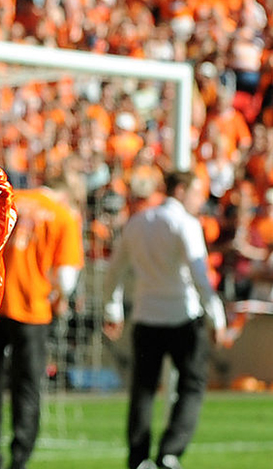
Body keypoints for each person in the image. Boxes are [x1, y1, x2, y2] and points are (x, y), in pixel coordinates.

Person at [103, 170, 228, 469]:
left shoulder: (137, 223)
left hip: (147, 318)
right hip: (183, 317)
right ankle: (171, 451)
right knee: (193, 385)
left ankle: (138, 457)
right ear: (182, 190)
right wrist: (217, 318)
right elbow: (200, 276)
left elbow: (114, 271)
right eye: (197, 192)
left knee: (143, 389)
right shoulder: (185, 224)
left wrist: (112, 309)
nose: (200, 199)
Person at [0, 176, 84, 469]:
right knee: (27, 384)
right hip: (32, 306)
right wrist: (60, 298)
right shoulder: (63, 216)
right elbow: (66, 275)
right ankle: (20, 453)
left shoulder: (12, 198)